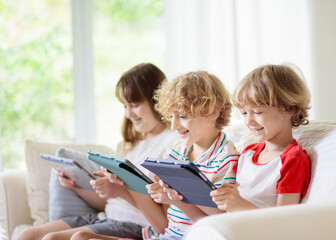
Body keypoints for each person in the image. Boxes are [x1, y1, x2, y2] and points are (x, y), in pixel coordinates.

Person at [71, 70, 240, 240]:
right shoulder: (177, 154)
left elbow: (218, 228)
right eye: (171, 116)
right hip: (163, 236)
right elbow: (163, 225)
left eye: (182, 116)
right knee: (81, 236)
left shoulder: (227, 159)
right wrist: (127, 184)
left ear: (214, 111)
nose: (174, 126)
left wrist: (176, 200)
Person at [17, 63, 179, 240]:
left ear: (156, 101)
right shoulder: (127, 145)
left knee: (52, 239)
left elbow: (163, 220)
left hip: (134, 225)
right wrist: (76, 189)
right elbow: (109, 202)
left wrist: (123, 190)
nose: (128, 114)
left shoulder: (172, 143)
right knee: (27, 235)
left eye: (134, 104)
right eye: (125, 106)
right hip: (104, 218)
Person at [210, 63, 311, 212]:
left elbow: (284, 221)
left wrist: (238, 204)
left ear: (289, 110)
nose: (248, 121)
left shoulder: (292, 159)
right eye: (244, 113)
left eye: (257, 112)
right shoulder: (247, 153)